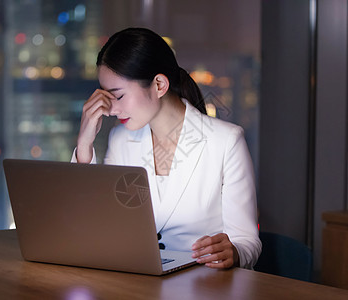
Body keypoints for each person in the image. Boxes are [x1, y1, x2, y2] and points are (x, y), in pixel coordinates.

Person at [71, 27, 261, 269]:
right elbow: (92, 223)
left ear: (159, 85)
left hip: (204, 286)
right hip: (136, 282)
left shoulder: (226, 141)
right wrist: (84, 144)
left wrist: (233, 252)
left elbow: (247, 242)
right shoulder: (120, 140)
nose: (111, 110)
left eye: (117, 96)